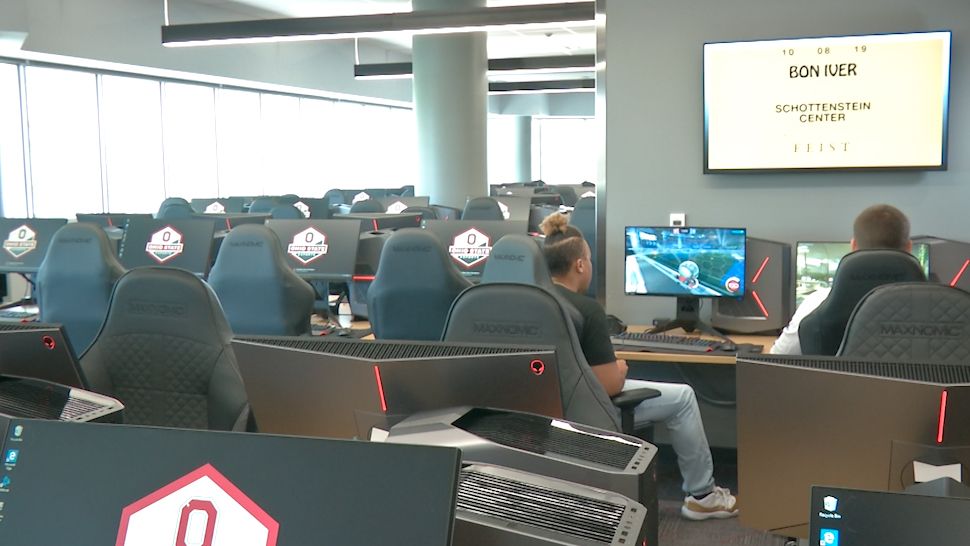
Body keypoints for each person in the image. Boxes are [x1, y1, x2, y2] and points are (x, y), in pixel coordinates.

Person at [539, 213, 738, 521]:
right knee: (683, 397)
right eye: (589, 260)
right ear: (580, 264)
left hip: (538, 410)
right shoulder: (587, 309)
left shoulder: (529, 300)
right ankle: (703, 497)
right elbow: (608, 386)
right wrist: (619, 367)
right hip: (585, 410)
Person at [771, 204, 913, 355]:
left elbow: (779, 355)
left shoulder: (817, 303)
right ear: (909, 247)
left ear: (853, 246)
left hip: (833, 379)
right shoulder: (934, 305)